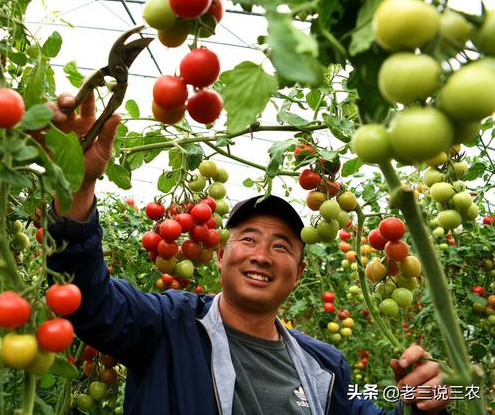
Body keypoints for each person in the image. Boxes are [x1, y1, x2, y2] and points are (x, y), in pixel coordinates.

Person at [46, 93, 450, 414]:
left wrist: (423, 405)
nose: (262, 255)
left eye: (280, 246)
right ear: (221, 256)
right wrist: (79, 189)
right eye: (249, 239)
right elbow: (86, 301)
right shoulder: (166, 326)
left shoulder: (325, 367)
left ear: (299, 271)